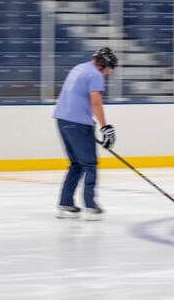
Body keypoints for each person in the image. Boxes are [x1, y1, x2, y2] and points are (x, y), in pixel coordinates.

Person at [53, 47, 117, 221]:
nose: (107, 74)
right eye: (108, 70)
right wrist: (106, 128)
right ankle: (90, 206)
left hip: (62, 119)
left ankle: (65, 203)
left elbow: (76, 97)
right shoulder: (95, 75)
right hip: (78, 123)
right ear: (103, 65)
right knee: (89, 164)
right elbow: (96, 103)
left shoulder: (79, 67)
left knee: (76, 163)